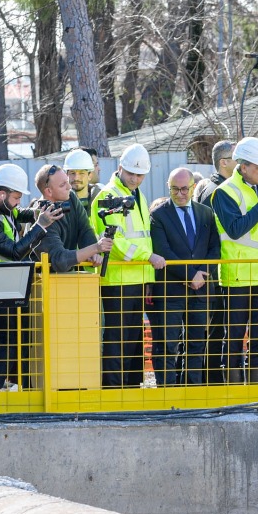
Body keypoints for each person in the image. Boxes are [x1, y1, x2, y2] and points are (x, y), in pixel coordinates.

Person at [0, 163, 62, 388]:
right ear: (2, 194)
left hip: (0, 286)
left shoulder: (4, 209)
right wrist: (40, 225)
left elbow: (23, 213)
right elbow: (12, 251)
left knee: (4, 343)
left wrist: (42, 210)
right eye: (17, 197)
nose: (19, 202)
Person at [89, 143, 165, 389]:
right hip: (118, 279)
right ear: (120, 168)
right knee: (117, 339)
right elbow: (116, 243)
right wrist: (149, 257)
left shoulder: (137, 195)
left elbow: (140, 236)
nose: (135, 178)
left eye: (140, 174)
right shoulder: (109, 196)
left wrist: (147, 273)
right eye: (131, 173)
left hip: (136, 278)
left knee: (132, 339)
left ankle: (132, 388)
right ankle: (113, 389)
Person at [210, 137, 258, 384]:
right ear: (243, 166)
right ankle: (232, 390)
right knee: (234, 339)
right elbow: (235, 229)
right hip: (237, 278)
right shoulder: (224, 192)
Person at [149, 166, 220, 385]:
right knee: (168, 345)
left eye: (184, 189)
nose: (180, 194)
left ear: (193, 187)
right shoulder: (158, 215)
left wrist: (202, 274)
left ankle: (193, 390)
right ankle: (167, 391)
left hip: (201, 291)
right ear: (168, 188)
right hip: (171, 291)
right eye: (174, 190)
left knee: (196, 344)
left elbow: (215, 248)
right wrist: (191, 276)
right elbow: (163, 251)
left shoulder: (205, 213)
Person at [32, 164, 110, 270]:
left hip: (68, 278)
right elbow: (60, 260)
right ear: (48, 191)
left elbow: (84, 229)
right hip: (42, 281)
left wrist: (93, 253)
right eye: (62, 185)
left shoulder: (71, 197)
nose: (69, 187)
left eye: (67, 182)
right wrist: (95, 248)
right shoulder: (41, 217)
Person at [194, 140, 236, 206]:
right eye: (236, 157)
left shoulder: (228, 187)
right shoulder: (215, 193)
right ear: (223, 163)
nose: (242, 161)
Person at [64, 148, 97, 216]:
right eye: (72, 173)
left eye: (81, 173)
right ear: (66, 175)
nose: (76, 178)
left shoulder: (100, 198)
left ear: (90, 175)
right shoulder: (58, 200)